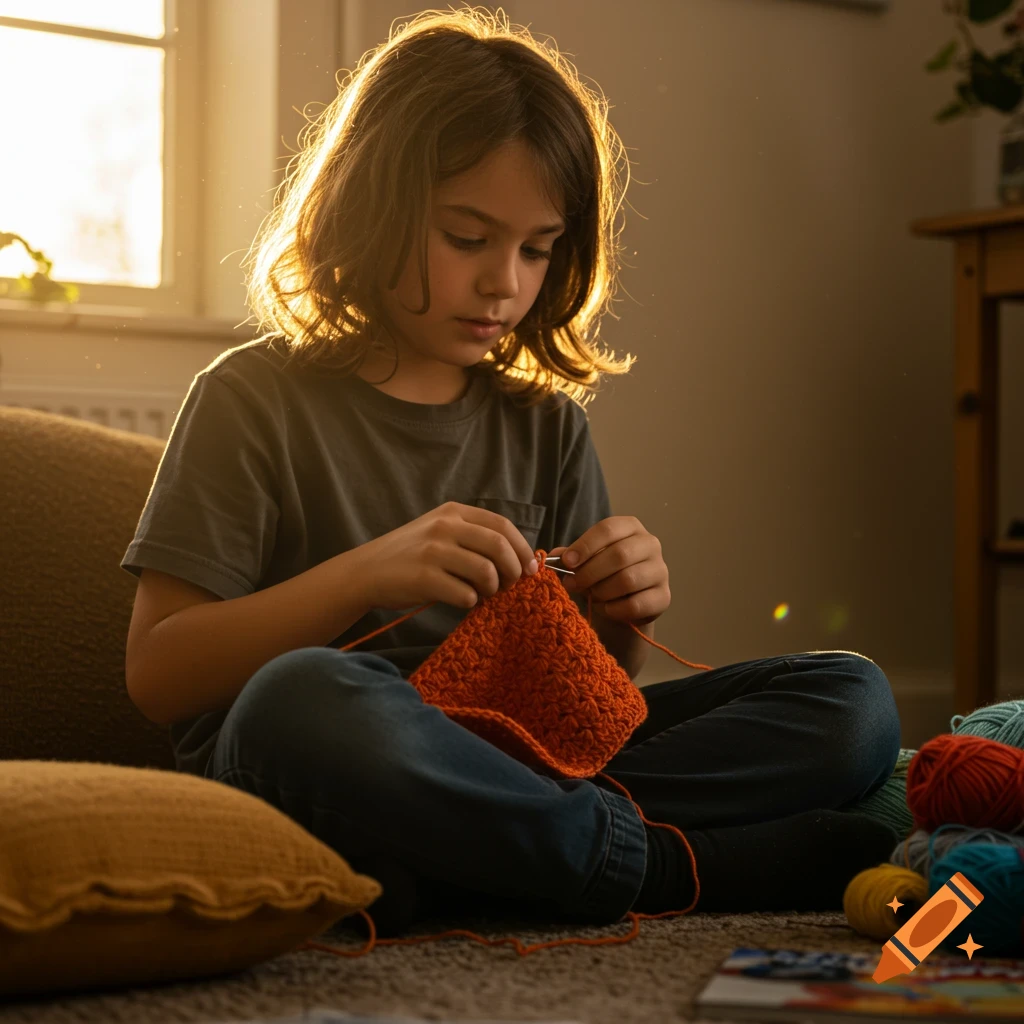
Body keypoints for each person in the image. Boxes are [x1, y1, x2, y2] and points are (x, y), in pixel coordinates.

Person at [121, 7, 901, 938]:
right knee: (301, 698)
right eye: (468, 238)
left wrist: (622, 616)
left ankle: (486, 863)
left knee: (851, 700)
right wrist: (366, 573)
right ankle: (655, 864)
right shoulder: (252, 398)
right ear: (368, 208)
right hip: (327, 761)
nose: (506, 284)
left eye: (537, 249)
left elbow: (590, 698)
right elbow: (159, 674)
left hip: (521, 763)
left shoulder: (544, 424)